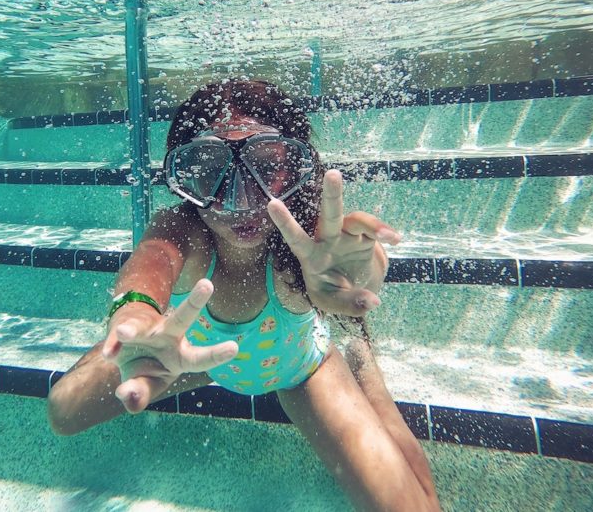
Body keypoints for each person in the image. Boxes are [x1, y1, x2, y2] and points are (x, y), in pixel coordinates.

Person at [47, 79, 440, 511]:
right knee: (63, 410)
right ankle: (185, 355)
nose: (239, 199)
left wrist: (363, 271)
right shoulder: (185, 230)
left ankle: (365, 366)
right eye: (211, 170)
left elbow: (357, 263)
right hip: (194, 356)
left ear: (294, 169)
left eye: (265, 166)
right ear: (185, 180)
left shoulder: (306, 242)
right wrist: (136, 315)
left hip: (299, 368)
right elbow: (153, 259)